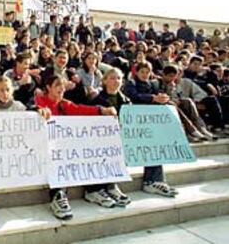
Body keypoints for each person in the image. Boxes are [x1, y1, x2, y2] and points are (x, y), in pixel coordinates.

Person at [35, 75, 116, 219]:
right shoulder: (40, 101)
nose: (61, 88)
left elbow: (80, 110)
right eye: (57, 85)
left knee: (87, 148)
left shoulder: (64, 104)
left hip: (61, 146)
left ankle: (94, 189)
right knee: (58, 156)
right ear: (48, 88)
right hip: (42, 148)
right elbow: (29, 109)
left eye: (62, 85)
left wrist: (102, 110)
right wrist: (37, 110)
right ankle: (58, 196)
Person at [124, 62, 179, 197]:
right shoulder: (131, 84)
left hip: (151, 122)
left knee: (155, 148)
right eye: (142, 72)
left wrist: (163, 98)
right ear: (136, 72)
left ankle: (156, 180)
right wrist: (152, 98)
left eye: (147, 72)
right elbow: (134, 97)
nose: (145, 75)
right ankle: (151, 181)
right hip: (136, 124)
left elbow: (158, 96)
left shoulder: (153, 84)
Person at [87, 68, 132, 207]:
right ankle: (93, 190)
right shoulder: (96, 100)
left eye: (118, 78)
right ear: (105, 80)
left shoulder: (126, 101)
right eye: (112, 78)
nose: (116, 81)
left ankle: (112, 186)